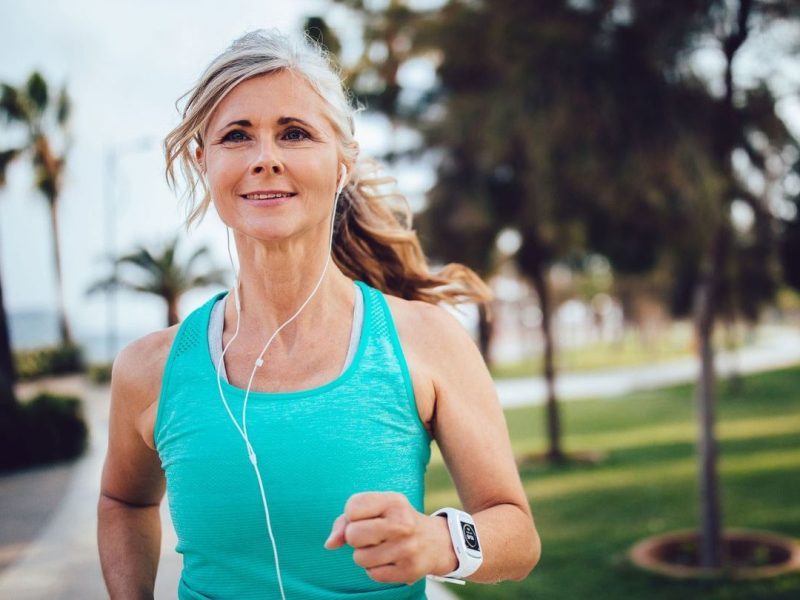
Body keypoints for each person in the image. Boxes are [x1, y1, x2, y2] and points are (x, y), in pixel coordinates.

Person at [97, 29, 541, 600]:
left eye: (295, 133)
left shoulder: (424, 342)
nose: (265, 159)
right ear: (204, 162)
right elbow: (123, 500)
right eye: (237, 136)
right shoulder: (147, 370)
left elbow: (518, 535)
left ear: (341, 163)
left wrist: (439, 542)